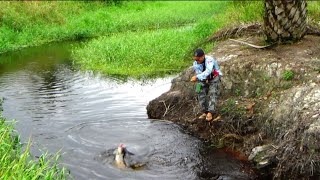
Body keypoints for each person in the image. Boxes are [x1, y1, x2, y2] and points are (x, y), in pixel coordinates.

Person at [190, 48, 222, 121]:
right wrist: (197, 78)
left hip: (214, 77)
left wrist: (197, 77)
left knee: (213, 93)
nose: (197, 61)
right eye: (195, 60)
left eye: (198, 59)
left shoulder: (209, 60)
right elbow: (199, 73)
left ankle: (210, 112)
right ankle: (205, 111)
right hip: (203, 79)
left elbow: (208, 71)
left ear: (203, 56)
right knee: (198, 90)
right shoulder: (195, 64)